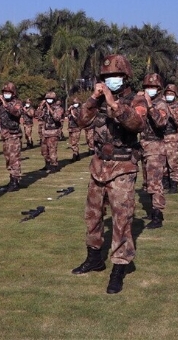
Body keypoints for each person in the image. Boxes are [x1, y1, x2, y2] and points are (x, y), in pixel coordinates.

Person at [71, 54, 147, 295]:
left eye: (114, 76)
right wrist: (94, 98)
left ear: (125, 77)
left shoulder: (137, 99)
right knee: (92, 217)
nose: (109, 80)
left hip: (122, 168)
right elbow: (81, 121)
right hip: (99, 166)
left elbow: (137, 124)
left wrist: (114, 104)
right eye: (105, 77)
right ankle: (94, 258)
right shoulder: (98, 101)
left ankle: (119, 267)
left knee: (121, 221)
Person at [139, 73, 170, 228]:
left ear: (158, 89)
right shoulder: (143, 102)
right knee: (147, 181)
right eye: (147, 87)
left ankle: (158, 214)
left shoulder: (161, 104)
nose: (149, 90)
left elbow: (160, 122)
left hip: (156, 147)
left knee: (155, 182)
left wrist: (150, 106)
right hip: (144, 145)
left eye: (152, 87)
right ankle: (152, 210)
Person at [0, 82, 24, 191]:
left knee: (14, 158)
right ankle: (11, 178)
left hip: (14, 134)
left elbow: (16, 113)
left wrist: (4, 103)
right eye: (4, 92)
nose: (6, 94)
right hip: (5, 134)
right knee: (8, 158)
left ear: (13, 93)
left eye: (8, 92)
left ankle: (15, 180)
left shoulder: (17, 102)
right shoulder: (0, 104)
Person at [163, 84, 178, 194]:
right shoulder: (160, 106)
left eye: (171, 94)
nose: (169, 96)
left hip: (172, 137)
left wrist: (170, 111)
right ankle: (165, 183)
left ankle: (174, 185)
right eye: (167, 94)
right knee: (162, 163)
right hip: (161, 137)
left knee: (172, 163)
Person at [38, 91, 64, 173]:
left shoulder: (58, 108)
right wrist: (41, 107)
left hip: (53, 132)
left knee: (52, 150)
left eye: (50, 99)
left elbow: (56, 118)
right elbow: (37, 115)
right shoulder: (44, 108)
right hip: (45, 132)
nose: (48, 100)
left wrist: (49, 108)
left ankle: (54, 165)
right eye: (47, 99)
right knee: (44, 151)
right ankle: (47, 164)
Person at [67, 97, 82, 161]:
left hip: (76, 128)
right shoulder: (72, 109)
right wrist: (69, 110)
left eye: (76, 103)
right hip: (71, 128)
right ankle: (77, 155)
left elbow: (78, 119)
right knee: (72, 142)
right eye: (74, 103)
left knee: (74, 143)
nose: (75, 104)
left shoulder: (80, 110)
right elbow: (65, 115)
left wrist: (73, 114)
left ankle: (75, 155)